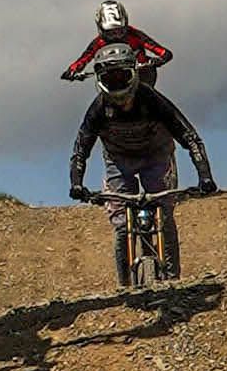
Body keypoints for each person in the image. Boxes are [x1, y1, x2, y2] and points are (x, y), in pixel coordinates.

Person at [67, 42, 216, 287]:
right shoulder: (98, 109)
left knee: (164, 215)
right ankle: (123, 286)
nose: (117, 84)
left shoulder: (152, 99)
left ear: (134, 74)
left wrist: (205, 177)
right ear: (100, 80)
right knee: (121, 225)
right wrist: (76, 183)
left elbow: (189, 136)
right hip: (118, 161)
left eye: (122, 76)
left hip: (156, 156)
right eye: (110, 78)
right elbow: (81, 148)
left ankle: (173, 281)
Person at [61, 0, 173, 89]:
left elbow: (164, 52)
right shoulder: (98, 42)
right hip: (111, 80)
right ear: (100, 29)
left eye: (120, 31)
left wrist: (158, 61)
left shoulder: (135, 35)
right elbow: (84, 59)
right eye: (110, 33)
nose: (116, 36)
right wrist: (72, 71)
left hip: (141, 77)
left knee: (149, 99)